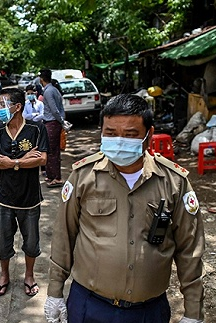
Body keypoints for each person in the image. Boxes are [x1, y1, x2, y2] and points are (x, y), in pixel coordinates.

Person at [44, 94, 205, 323]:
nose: (119, 141)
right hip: (89, 305)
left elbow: (190, 249)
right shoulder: (83, 177)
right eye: (110, 133)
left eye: (130, 135)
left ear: (148, 136)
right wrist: (55, 292)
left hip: (149, 311)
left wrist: (193, 311)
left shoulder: (174, 182)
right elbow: (64, 236)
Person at [0, 88, 48, 297]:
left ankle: (29, 275)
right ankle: (4, 274)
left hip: (30, 198)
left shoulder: (36, 129)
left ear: (17, 106)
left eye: (3, 105)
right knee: (3, 241)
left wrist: (12, 162)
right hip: (4, 197)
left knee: (31, 242)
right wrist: (24, 160)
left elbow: (41, 159)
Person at [39, 69, 68, 188]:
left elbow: (54, 109)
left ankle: (56, 177)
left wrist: (61, 121)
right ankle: (52, 175)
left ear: (42, 79)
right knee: (52, 150)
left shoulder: (48, 91)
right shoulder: (54, 89)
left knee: (51, 151)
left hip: (52, 122)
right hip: (53, 122)